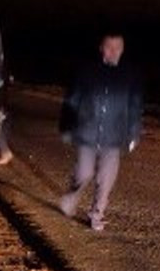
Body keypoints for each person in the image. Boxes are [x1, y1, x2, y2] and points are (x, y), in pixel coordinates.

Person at [58, 33, 143, 231]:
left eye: (118, 48)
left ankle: (97, 213)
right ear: (101, 48)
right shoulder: (87, 71)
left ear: (123, 49)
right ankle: (71, 196)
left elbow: (135, 107)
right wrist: (66, 125)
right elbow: (72, 100)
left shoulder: (129, 75)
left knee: (106, 177)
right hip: (87, 132)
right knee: (84, 172)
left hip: (113, 136)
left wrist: (133, 133)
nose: (113, 52)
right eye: (109, 47)